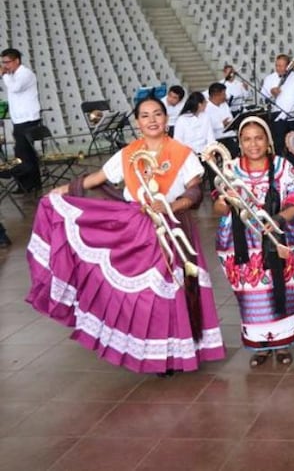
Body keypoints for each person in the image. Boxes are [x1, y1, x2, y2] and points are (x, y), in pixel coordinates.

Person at [28, 97, 225, 373]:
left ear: (166, 119)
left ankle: (175, 354)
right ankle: (152, 354)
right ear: (137, 122)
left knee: (171, 294)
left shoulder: (183, 153)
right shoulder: (128, 154)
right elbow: (98, 178)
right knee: (144, 297)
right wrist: (65, 190)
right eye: (145, 116)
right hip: (135, 229)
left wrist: (172, 205)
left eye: (157, 114)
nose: (152, 120)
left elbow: (195, 190)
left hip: (172, 228)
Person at [211, 116, 294, 367]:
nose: (253, 144)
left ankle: (283, 343)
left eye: (258, 138)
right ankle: (260, 345)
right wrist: (224, 201)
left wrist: (277, 220)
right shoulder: (230, 169)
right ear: (240, 143)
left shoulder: (282, 166)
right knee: (252, 294)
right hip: (241, 243)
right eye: (247, 139)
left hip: (278, 235)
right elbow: (218, 208)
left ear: (268, 141)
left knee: (281, 288)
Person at [1, 47, 42, 193]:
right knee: (27, 153)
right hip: (20, 120)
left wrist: (3, 75)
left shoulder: (25, 73)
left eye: (7, 62)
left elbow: (15, 88)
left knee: (22, 154)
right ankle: (33, 183)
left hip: (27, 120)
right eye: (3, 63)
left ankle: (25, 185)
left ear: (17, 60)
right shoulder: (13, 75)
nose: (5, 66)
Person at [261, 54, 294, 166]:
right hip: (278, 118)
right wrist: (271, 93)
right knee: (278, 146)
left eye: (281, 66)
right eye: (277, 65)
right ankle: (279, 169)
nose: (278, 68)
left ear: (288, 66)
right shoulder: (270, 78)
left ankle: (293, 169)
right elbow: (263, 97)